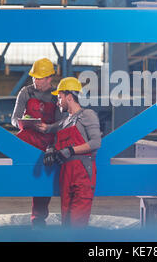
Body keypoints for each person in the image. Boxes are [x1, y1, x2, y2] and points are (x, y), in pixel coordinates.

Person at [39, 77, 102, 228]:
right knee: (66, 223)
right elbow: (49, 131)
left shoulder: (87, 115)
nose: (57, 102)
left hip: (82, 175)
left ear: (69, 97)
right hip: (66, 176)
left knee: (77, 224)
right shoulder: (64, 122)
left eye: (59, 98)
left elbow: (95, 143)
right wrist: (50, 150)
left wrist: (70, 150)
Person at [11, 57, 62, 228]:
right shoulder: (26, 92)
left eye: (39, 78)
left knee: (44, 179)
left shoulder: (57, 96)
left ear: (49, 78)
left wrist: (48, 128)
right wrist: (23, 122)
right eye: (34, 77)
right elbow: (13, 119)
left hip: (48, 140)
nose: (35, 80)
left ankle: (38, 218)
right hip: (29, 136)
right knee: (13, 143)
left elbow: (62, 124)